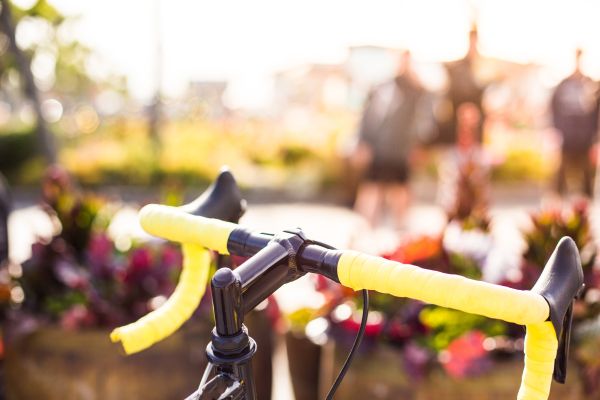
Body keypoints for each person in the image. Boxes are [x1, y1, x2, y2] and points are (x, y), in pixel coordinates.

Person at [353, 50, 434, 228]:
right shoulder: (380, 86)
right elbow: (367, 116)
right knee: (372, 190)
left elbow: (424, 120)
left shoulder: (418, 90)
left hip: (401, 150)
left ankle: (401, 235)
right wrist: (361, 142)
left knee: (400, 192)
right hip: (378, 149)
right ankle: (363, 233)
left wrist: (420, 144)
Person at [551, 48, 600, 198]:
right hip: (567, 134)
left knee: (586, 171)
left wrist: (594, 133)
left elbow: (596, 111)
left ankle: (587, 199)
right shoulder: (563, 85)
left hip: (585, 135)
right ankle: (557, 198)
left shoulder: (590, 84)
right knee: (562, 169)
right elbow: (554, 107)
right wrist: (557, 129)